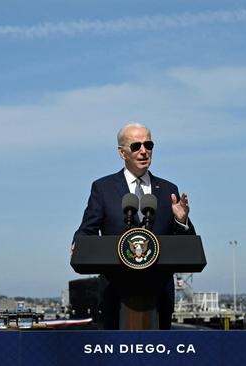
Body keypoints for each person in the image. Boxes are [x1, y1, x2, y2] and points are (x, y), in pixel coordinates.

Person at [73, 122, 195, 329]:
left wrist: (181, 220)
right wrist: (79, 242)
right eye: (136, 146)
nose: (143, 151)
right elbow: (88, 228)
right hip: (115, 294)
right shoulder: (103, 188)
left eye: (148, 145)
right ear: (122, 153)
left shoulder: (168, 190)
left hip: (159, 296)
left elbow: (186, 245)